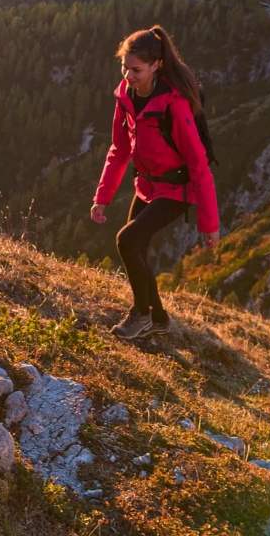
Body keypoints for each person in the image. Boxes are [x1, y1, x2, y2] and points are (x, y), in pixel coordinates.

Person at [90, 25, 219, 339]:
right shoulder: (126, 97)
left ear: (156, 66)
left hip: (176, 190)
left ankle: (140, 314)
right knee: (137, 248)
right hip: (146, 185)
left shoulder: (175, 106)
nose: (129, 76)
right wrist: (102, 196)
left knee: (127, 240)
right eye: (125, 68)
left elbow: (199, 165)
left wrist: (209, 223)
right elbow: (119, 148)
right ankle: (159, 318)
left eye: (136, 70)